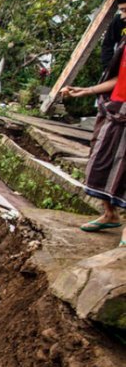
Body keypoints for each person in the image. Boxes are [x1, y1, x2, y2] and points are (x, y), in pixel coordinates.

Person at [62, 32, 126, 246]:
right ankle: (110, 214)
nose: (123, 16)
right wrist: (87, 90)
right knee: (99, 163)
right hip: (114, 110)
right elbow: (119, 79)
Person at [101, 0, 126, 71]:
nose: (123, 16)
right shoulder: (118, 21)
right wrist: (108, 68)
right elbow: (107, 44)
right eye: (122, 10)